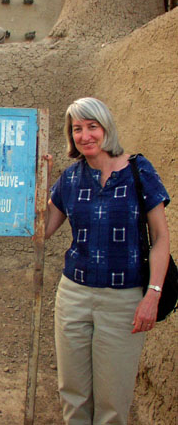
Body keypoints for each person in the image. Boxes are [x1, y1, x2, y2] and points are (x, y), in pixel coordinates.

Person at [44, 97, 170, 425]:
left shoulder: (139, 171)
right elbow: (40, 230)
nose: (85, 136)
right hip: (73, 296)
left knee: (112, 403)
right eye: (77, 129)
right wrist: (39, 179)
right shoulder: (70, 179)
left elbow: (161, 239)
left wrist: (153, 294)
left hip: (124, 300)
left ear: (106, 128)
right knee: (73, 393)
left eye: (92, 127)